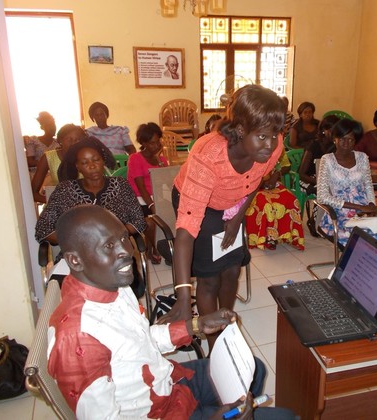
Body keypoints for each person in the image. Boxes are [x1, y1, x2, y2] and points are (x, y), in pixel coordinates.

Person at [48, 205, 295, 419]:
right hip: (156, 412)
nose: (125, 252)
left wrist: (197, 326)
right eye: (108, 246)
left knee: (255, 369)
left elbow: (140, 340)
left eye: (124, 238)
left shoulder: (112, 285)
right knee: (285, 416)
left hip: (169, 384)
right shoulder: (77, 338)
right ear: (75, 261)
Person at [162, 85, 286, 351]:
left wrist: (238, 217)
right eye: (263, 136)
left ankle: (225, 323)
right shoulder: (208, 156)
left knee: (231, 268)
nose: (271, 144)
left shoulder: (272, 145)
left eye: (275, 135)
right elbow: (186, 230)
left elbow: (254, 181)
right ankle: (214, 343)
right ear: (241, 130)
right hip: (200, 204)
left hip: (233, 204)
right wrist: (184, 296)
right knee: (209, 278)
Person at [35, 137, 146, 297]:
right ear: (77, 166)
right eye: (85, 162)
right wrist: (80, 244)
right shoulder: (65, 191)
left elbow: (138, 222)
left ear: (103, 161)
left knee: (130, 290)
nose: (92, 166)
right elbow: (43, 229)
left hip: (116, 256)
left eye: (96, 160)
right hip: (77, 260)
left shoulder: (121, 186)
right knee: (79, 297)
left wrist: (111, 241)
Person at [317, 119, 377, 248]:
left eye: (351, 139)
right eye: (342, 139)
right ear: (335, 139)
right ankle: (362, 266)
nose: (346, 143)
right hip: (340, 212)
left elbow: (368, 185)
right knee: (366, 238)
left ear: (356, 141)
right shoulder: (327, 160)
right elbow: (322, 197)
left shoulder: (362, 157)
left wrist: (371, 204)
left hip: (365, 209)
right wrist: (359, 207)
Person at [245, 148, 305, 251]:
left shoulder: (277, 146)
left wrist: (276, 174)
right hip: (251, 186)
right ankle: (267, 237)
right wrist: (261, 182)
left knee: (292, 201)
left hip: (272, 183)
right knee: (266, 205)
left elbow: (287, 165)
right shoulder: (248, 145)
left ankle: (289, 235)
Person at [127, 122, 169, 265]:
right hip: (139, 199)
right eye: (152, 143)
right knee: (151, 223)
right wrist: (152, 205)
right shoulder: (135, 159)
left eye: (158, 142)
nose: (156, 145)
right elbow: (141, 188)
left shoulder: (161, 160)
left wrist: (159, 161)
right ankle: (155, 248)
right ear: (143, 143)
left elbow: (165, 182)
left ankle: (151, 248)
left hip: (156, 196)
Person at [30, 124, 85, 203]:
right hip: (59, 210)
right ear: (60, 140)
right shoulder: (48, 157)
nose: (73, 143)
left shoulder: (87, 157)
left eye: (77, 140)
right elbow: (33, 193)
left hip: (84, 207)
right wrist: (56, 203)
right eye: (69, 139)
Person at [298, 114, 340, 196]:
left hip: (324, 180)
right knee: (321, 192)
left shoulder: (336, 147)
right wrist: (319, 182)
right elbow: (301, 174)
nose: (334, 133)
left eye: (336, 130)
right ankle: (318, 208)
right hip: (307, 180)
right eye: (331, 130)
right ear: (323, 130)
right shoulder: (313, 145)